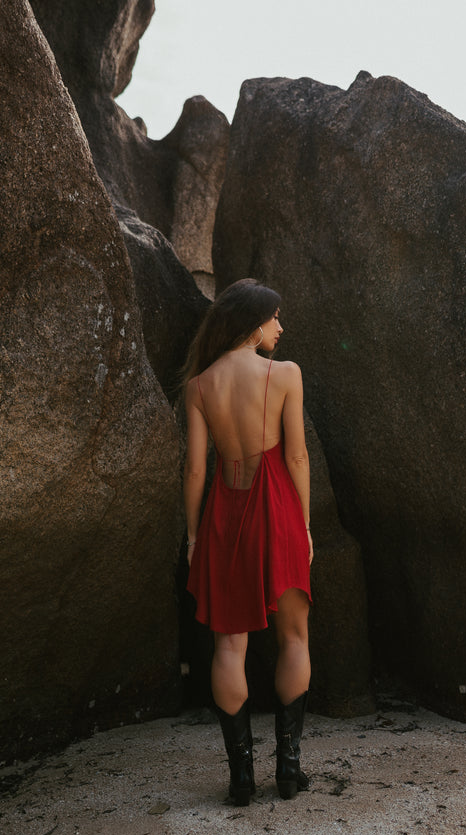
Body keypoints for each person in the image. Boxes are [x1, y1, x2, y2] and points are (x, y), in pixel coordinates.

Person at [182, 278, 313, 806]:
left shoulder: (199, 385)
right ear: (253, 322)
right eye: (275, 317)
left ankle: (241, 780)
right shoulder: (284, 374)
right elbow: (298, 457)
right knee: (294, 638)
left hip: (223, 513)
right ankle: (288, 771)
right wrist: (303, 526)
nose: (280, 327)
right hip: (276, 507)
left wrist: (193, 535)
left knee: (228, 646)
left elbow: (195, 470)